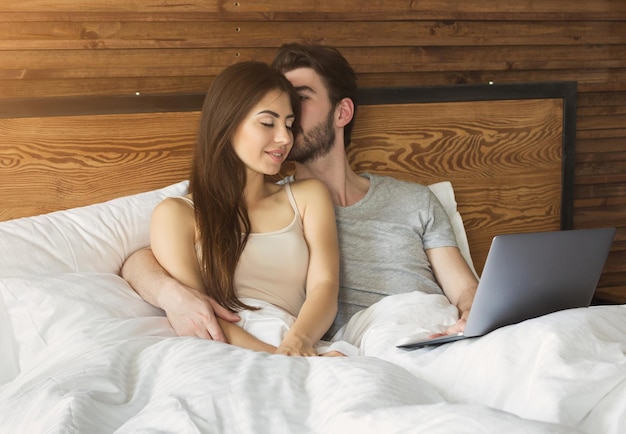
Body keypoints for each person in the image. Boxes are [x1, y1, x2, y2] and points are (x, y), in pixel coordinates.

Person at [121, 43, 478, 345]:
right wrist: (172, 296)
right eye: (269, 119)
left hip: (440, 332)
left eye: (297, 104)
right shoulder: (286, 204)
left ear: (342, 112)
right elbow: (142, 258)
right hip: (363, 344)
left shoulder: (415, 200)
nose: (284, 131)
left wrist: (473, 317)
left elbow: (465, 290)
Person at [145, 60, 341, 356]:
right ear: (227, 122)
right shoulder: (176, 215)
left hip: (298, 342)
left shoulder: (308, 197)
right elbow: (200, 313)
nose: (285, 138)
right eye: (267, 123)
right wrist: (279, 358)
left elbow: (325, 285)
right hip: (229, 351)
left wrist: (298, 342)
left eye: (289, 124)